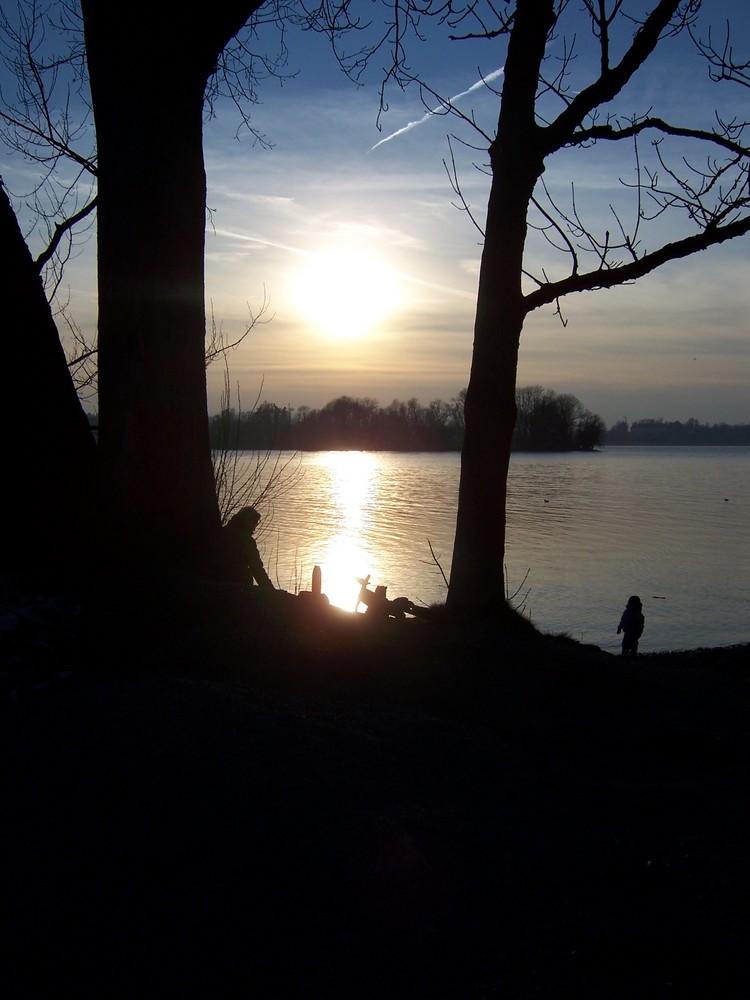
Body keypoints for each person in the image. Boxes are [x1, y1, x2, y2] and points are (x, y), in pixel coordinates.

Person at [221, 506, 273, 589]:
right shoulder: (247, 541)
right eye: (254, 523)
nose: (254, 528)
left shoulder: (222, 532)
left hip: (219, 579)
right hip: (239, 585)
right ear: (248, 521)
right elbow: (257, 569)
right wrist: (271, 591)